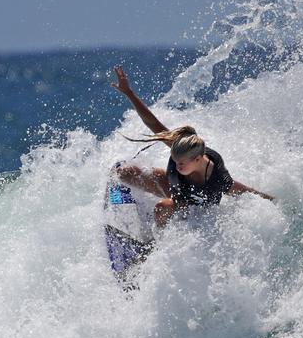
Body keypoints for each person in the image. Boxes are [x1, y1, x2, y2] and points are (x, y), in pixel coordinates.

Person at [110, 66, 274, 227]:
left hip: (191, 207)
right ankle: (143, 213)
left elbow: (244, 191)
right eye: (175, 160)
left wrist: (272, 202)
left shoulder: (217, 178)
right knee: (124, 172)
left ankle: (155, 245)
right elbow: (152, 123)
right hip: (175, 188)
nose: (177, 164)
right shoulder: (184, 147)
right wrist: (129, 93)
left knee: (163, 207)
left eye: (181, 162)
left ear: (198, 159)